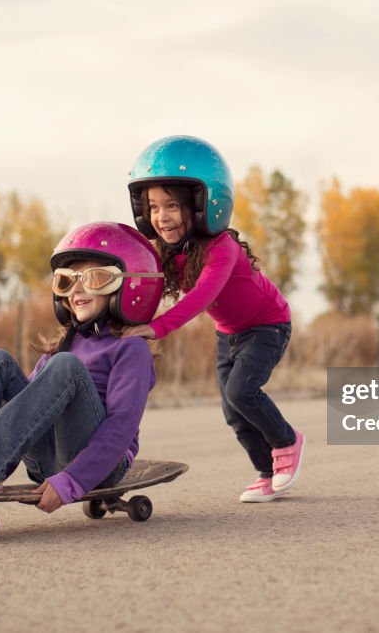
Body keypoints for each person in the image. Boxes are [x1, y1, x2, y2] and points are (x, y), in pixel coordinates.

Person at [0, 222, 164, 513]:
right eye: (66, 281)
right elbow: (27, 409)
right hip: (46, 460)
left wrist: (72, 481)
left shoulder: (129, 348)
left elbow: (121, 427)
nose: (76, 290)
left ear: (130, 284)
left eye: (94, 278)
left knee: (66, 366)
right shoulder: (65, 344)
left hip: (104, 465)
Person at [122, 135, 306, 503]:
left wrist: (157, 328)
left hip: (267, 325)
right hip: (229, 334)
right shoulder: (169, 251)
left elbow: (201, 296)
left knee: (242, 391)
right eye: (154, 207)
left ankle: (288, 441)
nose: (161, 217)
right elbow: (143, 284)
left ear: (204, 204)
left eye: (171, 206)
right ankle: (266, 474)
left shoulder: (223, 248)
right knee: (233, 412)